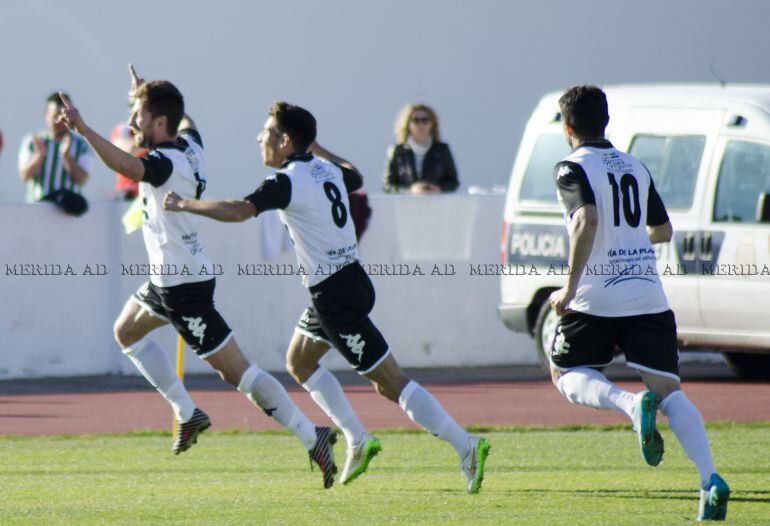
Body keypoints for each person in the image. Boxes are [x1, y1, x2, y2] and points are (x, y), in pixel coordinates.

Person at [162, 101, 490, 494]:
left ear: (285, 140)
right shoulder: (326, 168)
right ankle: (356, 437)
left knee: (390, 383)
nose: (259, 138)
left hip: (334, 296)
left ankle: (466, 445)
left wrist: (184, 205)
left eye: (266, 132)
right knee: (299, 360)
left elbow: (239, 210)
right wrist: (315, 147)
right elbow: (356, 174)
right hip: (346, 283)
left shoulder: (286, 181)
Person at [56, 66, 338, 489]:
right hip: (168, 281)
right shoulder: (189, 144)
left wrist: (82, 129)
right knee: (127, 332)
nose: (133, 123)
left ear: (161, 124)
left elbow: (127, 166)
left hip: (183, 288)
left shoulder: (164, 161)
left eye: (140, 118)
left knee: (238, 373)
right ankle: (188, 413)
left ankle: (310, 434)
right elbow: (187, 119)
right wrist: (142, 95)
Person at [547, 85, 730, 521]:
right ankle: (710, 479)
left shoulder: (570, 167)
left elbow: (586, 220)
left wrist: (569, 289)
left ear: (567, 127)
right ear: (605, 121)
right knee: (670, 393)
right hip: (647, 294)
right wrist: (627, 240)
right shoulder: (635, 165)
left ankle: (630, 406)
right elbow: (663, 231)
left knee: (565, 372)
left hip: (596, 297)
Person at [18, 93, 93, 203]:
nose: (58, 121)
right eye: (54, 116)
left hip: (68, 212)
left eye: (62, 117)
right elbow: (24, 176)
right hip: (38, 209)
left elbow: (82, 180)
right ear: (46, 116)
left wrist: (66, 157)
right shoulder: (32, 142)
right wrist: (38, 156)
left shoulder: (81, 145)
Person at [383, 103, 459, 195]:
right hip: (405, 206)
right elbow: (387, 186)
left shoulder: (442, 150)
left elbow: (453, 182)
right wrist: (411, 190)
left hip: (436, 205)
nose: (421, 124)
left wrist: (438, 189)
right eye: (416, 120)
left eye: (425, 120)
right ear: (408, 124)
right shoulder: (397, 151)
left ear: (432, 124)